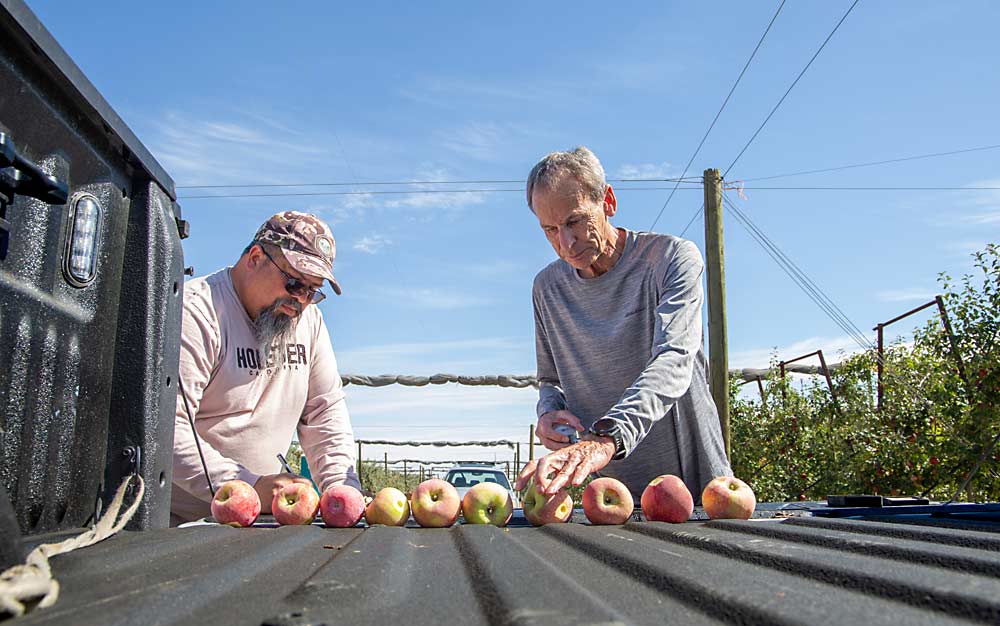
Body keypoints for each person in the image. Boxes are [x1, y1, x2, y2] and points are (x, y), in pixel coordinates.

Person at [515, 147, 732, 503]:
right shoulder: (547, 288)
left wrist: (607, 438)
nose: (566, 244)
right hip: (615, 492)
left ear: (609, 202)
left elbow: (673, 358)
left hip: (696, 484)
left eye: (574, 221)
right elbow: (549, 380)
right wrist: (549, 413)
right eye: (550, 230)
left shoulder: (671, 260)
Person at [171, 211, 361, 525]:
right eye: (294, 283)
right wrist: (246, 485)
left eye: (312, 292)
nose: (300, 301)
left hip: (259, 520)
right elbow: (166, 426)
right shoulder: (197, 313)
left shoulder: (309, 322)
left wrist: (342, 489)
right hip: (179, 523)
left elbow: (323, 411)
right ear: (256, 257)